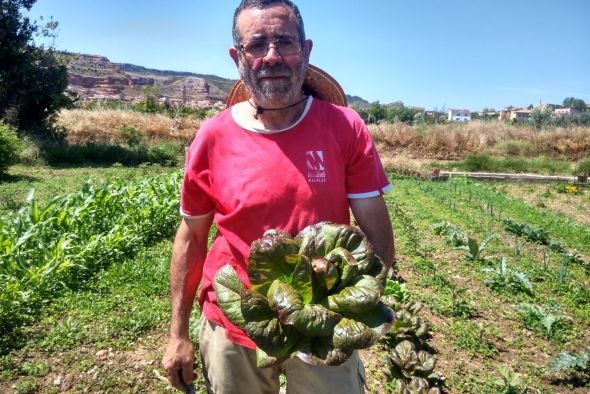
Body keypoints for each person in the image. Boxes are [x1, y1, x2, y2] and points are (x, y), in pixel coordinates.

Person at [161, 0, 395, 393]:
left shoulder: (344, 127)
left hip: (324, 325)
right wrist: (177, 334)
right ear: (238, 57)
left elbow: (377, 235)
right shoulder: (212, 137)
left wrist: (346, 309)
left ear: (305, 52)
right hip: (234, 322)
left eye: (285, 42)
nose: (272, 56)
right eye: (257, 45)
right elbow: (191, 239)